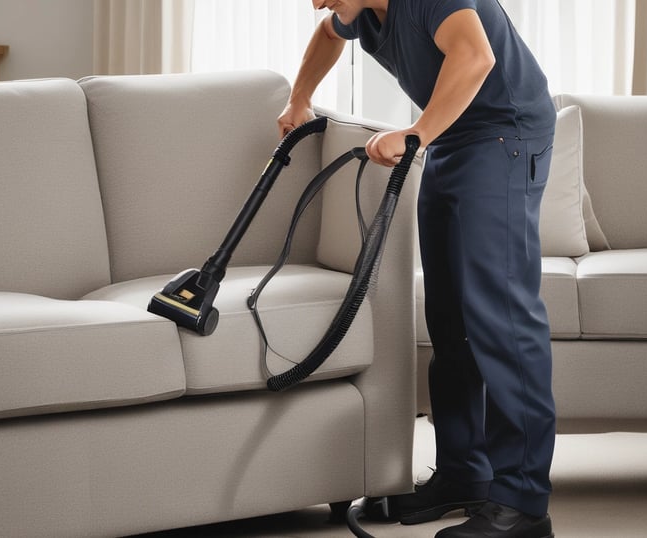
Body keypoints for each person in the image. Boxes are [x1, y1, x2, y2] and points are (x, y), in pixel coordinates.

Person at [278, 2, 557, 537]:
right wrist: (299, 98)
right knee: (449, 321)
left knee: (501, 318)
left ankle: (523, 503)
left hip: (505, 134)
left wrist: (415, 133)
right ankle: (465, 474)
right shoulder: (361, 10)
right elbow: (326, 33)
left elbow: (474, 57)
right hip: (454, 137)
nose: (317, 1)